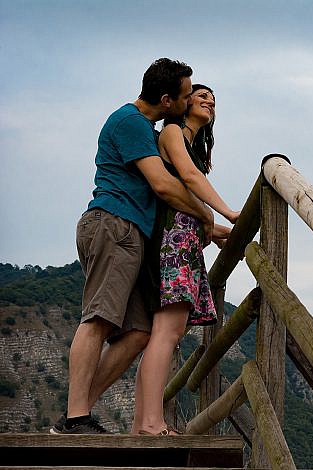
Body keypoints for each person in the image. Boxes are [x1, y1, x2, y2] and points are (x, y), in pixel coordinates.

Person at [51, 58, 215, 434]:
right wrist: (206, 215)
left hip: (132, 235)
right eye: (187, 95)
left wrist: (212, 224)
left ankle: (75, 412)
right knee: (98, 319)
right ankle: (77, 418)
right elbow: (164, 184)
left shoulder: (145, 127)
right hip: (113, 224)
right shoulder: (130, 122)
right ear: (166, 99)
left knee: (138, 331)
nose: (190, 100)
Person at [132, 84, 238, 436]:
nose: (209, 100)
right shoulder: (173, 132)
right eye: (201, 94)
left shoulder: (190, 143)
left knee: (166, 333)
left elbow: (192, 208)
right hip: (171, 240)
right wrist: (231, 214)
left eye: (214, 98)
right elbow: (188, 180)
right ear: (183, 101)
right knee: (167, 331)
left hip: (182, 237)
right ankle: (151, 423)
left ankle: (143, 422)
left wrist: (218, 228)